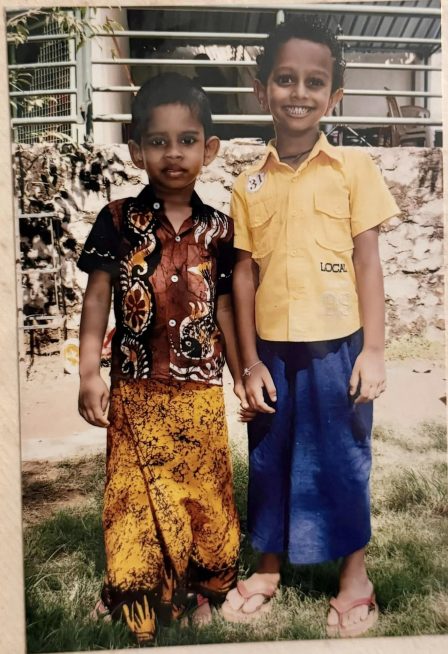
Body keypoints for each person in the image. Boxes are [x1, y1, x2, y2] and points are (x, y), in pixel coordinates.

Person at [222, 16, 400, 638]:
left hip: (338, 348)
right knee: (269, 458)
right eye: (285, 78)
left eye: (314, 82)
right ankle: (268, 568)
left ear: (334, 95)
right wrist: (248, 363)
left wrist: (373, 351)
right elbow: (242, 275)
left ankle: (355, 577)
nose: (299, 92)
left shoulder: (354, 167)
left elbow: (368, 263)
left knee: (344, 458)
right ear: (260, 89)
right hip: (271, 351)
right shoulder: (248, 183)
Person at [77, 72, 250, 644]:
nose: (173, 153)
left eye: (187, 140)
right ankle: (134, 589)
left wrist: (241, 375)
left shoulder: (220, 229)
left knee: (202, 494)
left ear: (210, 149)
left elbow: (225, 308)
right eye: (158, 141)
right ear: (136, 151)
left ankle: (203, 587)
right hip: (135, 387)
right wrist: (88, 372)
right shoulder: (117, 220)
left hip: (199, 389)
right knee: (134, 494)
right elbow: (97, 297)